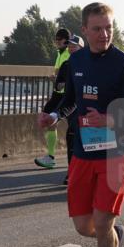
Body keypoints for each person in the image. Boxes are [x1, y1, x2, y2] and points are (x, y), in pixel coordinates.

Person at [37, 3, 124, 247]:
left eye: (109, 28)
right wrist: (53, 117)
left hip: (116, 154)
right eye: (97, 29)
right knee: (85, 226)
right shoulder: (76, 60)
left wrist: (106, 119)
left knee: (102, 221)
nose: (104, 34)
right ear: (84, 30)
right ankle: (113, 236)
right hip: (84, 152)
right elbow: (70, 101)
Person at [40, 35, 85, 185]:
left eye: (74, 45)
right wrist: (59, 82)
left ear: (81, 48)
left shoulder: (90, 63)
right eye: (69, 45)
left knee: (84, 141)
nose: (71, 48)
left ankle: (84, 172)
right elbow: (59, 86)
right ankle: (71, 173)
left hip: (88, 107)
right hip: (71, 106)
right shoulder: (66, 64)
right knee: (71, 136)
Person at [35, 28, 72, 169]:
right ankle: (50, 157)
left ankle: (76, 159)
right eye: (55, 39)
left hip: (67, 94)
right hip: (58, 93)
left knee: (73, 126)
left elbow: (69, 75)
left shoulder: (69, 53)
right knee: (47, 118)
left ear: (66, 40)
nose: (56, 42)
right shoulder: (59, 53)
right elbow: (58, 73)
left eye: (59, 39)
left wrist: (59, 80)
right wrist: (54, 78)